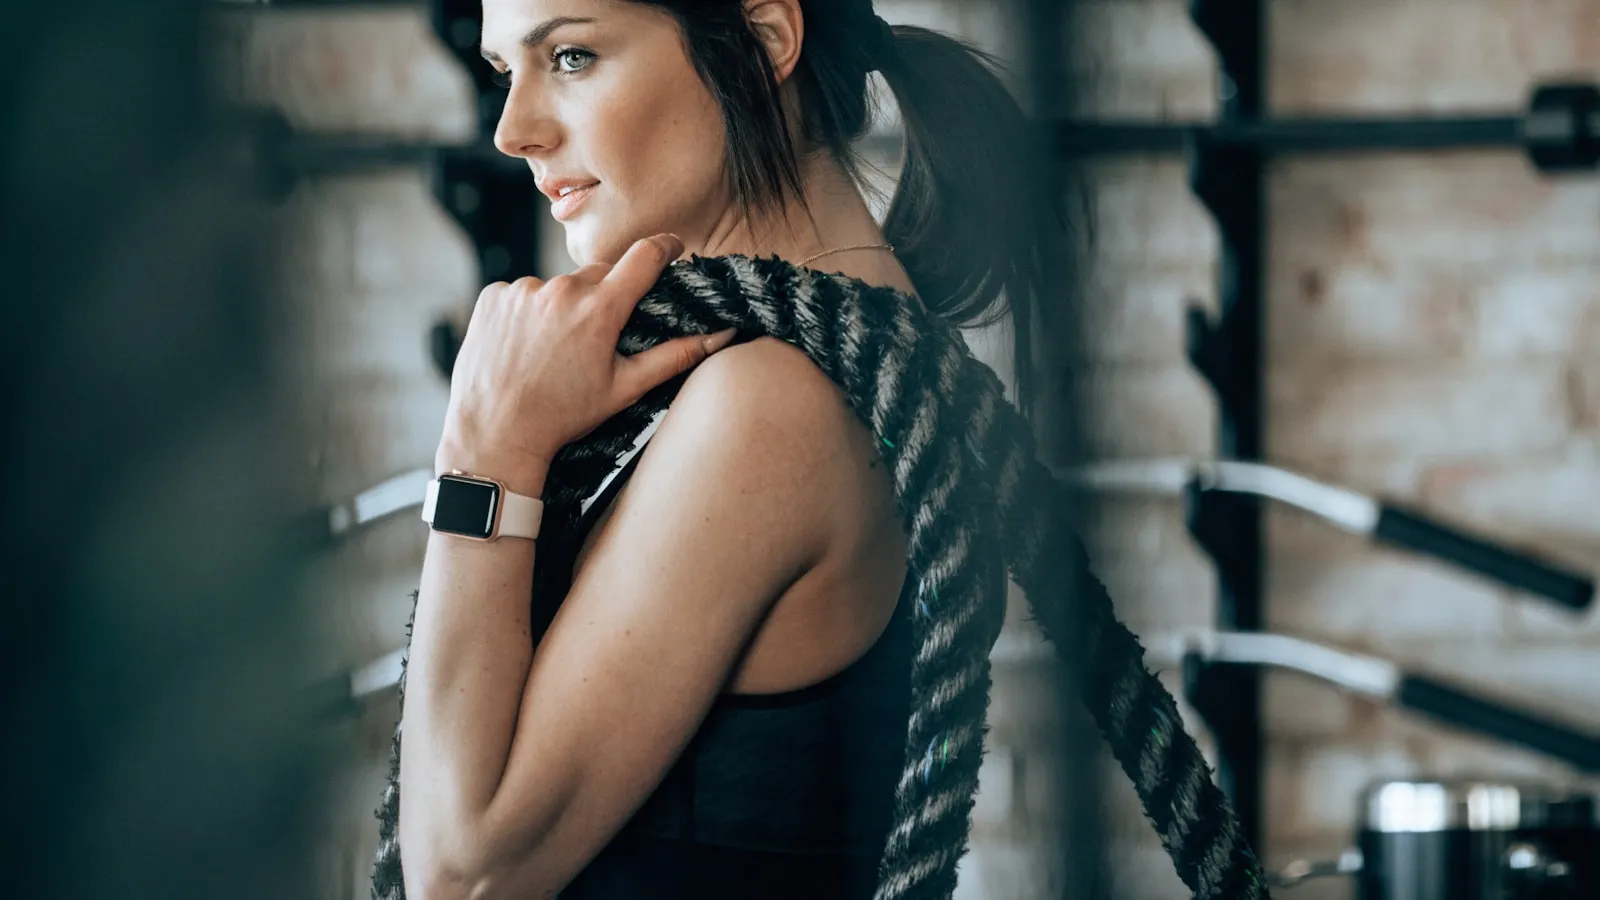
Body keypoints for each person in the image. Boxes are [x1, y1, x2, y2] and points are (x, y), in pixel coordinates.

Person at [393, 1, 1063, 897]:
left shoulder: (772, 402)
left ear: (765, 40)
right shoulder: (826, 349)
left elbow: (463, 876)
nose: (514, 131)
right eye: (506, 72)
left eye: (573, 56)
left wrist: (484, 449)